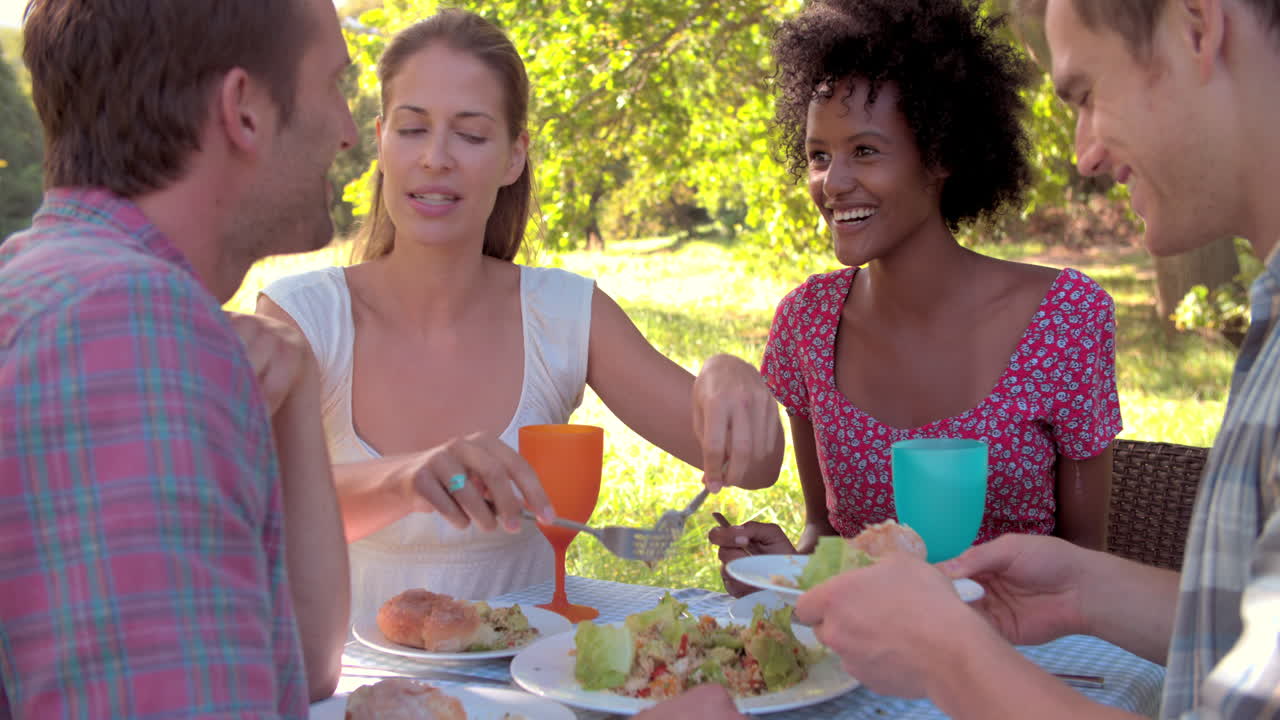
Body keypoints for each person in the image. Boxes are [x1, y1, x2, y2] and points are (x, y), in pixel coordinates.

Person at [793, 0, 1280, 717]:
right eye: (820, 155)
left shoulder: (1067, 315)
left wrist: (948, 652)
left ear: (1199, 26)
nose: (1083, 154)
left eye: (1087, 94)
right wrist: (1085, 590)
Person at [257, 9, 784, 621]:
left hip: (523, 694)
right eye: (411, 129)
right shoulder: (302, 317)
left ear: (514, 157)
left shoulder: (561, 313)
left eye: (472, 135)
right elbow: (245, 511)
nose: (435, 158)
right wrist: (408, 480)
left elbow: (754, 464)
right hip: (343, 692)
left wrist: (729, 375)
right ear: (379, 142)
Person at [0, 0, 357, 715]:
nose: (348, 132)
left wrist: (295, 392)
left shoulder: (53, 281)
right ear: (245, 108)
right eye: (335, 86)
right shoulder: (127, 325)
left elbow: (300, 664)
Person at [710, 0, 1123, 595]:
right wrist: (782, 568)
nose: (833, 182)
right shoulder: (808, 322)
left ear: (942, 154)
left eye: (866, 151)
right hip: (868, 662)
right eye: (819, 156)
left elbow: (1087, 556)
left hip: (1021, 658)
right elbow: (825, 535)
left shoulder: (1064, 316)